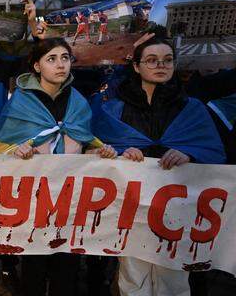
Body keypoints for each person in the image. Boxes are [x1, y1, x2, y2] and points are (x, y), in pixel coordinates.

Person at [91, 37, 226, 296]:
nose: (160, 65)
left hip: (178, 205)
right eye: (152, 60)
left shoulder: (192, 107)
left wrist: (189, 154)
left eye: (167, 60)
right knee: (133, 275)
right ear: (137, 67)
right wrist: (120, 152)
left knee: (174, 274)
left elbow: (213, 152)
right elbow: (97, 146)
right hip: (130, 204)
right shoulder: (113, 107)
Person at [0, 38, 117, 296]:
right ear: (37, 66)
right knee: (33, 267)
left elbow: (84, 142)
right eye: (52, 59)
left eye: (65, 58)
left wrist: (98, 151)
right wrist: (17, 151)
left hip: (70, 201)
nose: (60, 65)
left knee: (67, 268)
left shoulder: (79, 102)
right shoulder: (20, 102)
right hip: (33, 200)